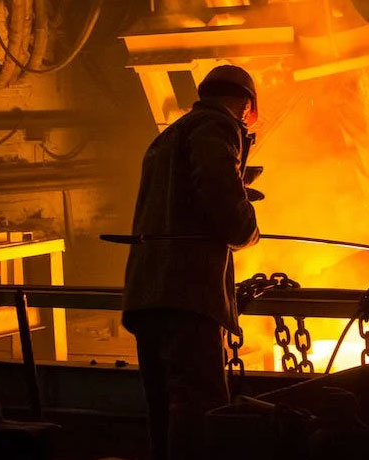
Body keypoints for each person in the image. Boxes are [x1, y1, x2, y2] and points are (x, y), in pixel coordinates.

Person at [121, 65, 260, 460]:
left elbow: (183, 199)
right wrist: (247, 225)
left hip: (147, 295)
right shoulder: (217, 126)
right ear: (246, 105)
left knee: (163, 407)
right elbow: (227, 209)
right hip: (188, 295)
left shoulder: (168, 136)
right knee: (199, 405)